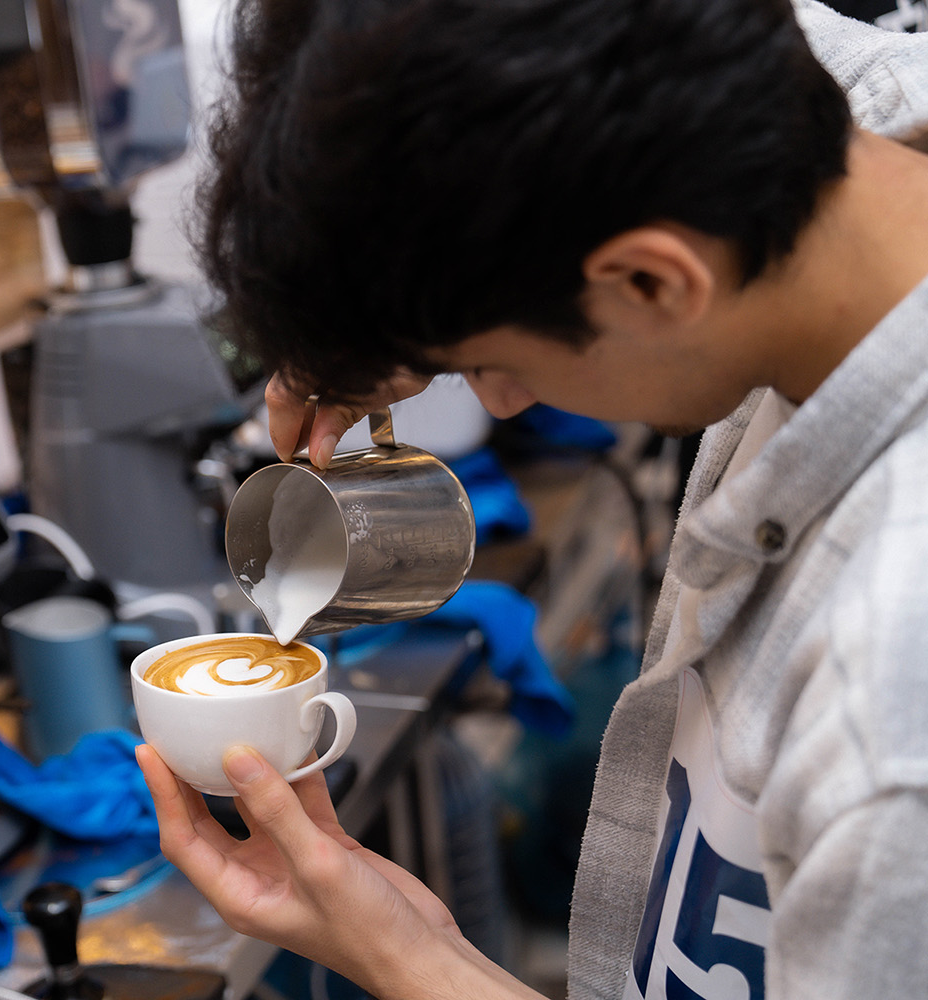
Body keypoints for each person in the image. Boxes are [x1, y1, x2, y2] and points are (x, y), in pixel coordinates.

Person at [133, 1, 928, 998]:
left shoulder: (892, 710)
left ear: (648, 279)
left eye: (482, 365)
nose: (498, 397)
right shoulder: (802, 127)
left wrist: (408, 961)